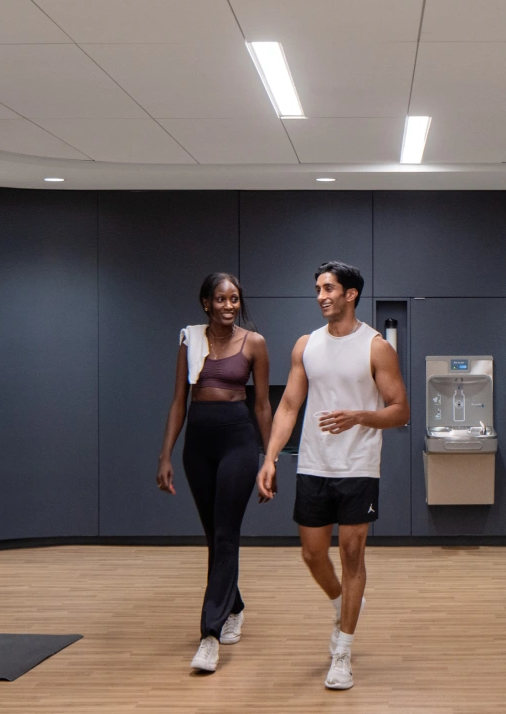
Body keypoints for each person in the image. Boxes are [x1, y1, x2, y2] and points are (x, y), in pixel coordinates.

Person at [256, 262, 409, 690]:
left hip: (358, 466)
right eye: (319, 288)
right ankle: (342, 603)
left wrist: (359, 415)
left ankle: (342, 651)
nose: (322, 295)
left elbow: (401, 410)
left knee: (353, 555)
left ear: (351, 294)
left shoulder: (376, 347)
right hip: (313, 464)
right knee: (311, 554)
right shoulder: (306, 345)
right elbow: (288, 406)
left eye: (329, 288)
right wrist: (269, 458)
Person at [158, 273, 271, 673]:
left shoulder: (253, 343)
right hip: (198, 446)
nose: (228, 306)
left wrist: (269, 457)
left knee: (226, 534)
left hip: (238, 441)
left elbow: (262, 406)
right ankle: (235, 605)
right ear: (206, 302)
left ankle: (210, 634)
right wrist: (165, 456)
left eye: (235, 299)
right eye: (221, 299)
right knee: (214, 536)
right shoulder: (190, 341)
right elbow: (178, 402)